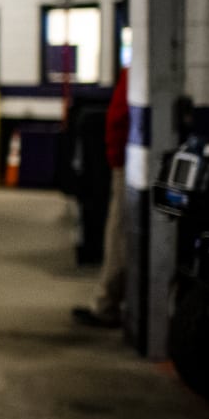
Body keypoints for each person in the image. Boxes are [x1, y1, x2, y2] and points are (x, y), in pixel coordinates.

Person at [73, 65, 128, 328]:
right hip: (125, 163)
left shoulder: (136, 74)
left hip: (126, 164)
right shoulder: (136, 73)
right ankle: (110, 302)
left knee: (118, 235)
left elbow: (119, 120)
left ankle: (107, 305)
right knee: (118, 234)